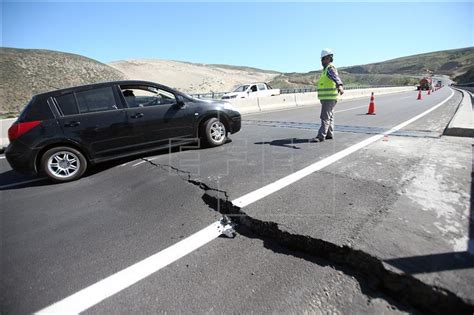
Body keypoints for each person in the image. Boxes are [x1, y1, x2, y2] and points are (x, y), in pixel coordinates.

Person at [311, 48, 344, 142]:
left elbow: (335, 78)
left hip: (329, 98)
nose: (321, 61)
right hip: (328, 97)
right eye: (321, 59)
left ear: (328, 58)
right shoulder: (325, 70)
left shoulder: (330, 68)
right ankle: (329, 133)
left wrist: (340, 86)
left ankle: (320, 136)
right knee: (330, 116)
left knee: (325, 116)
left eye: (323, 59)